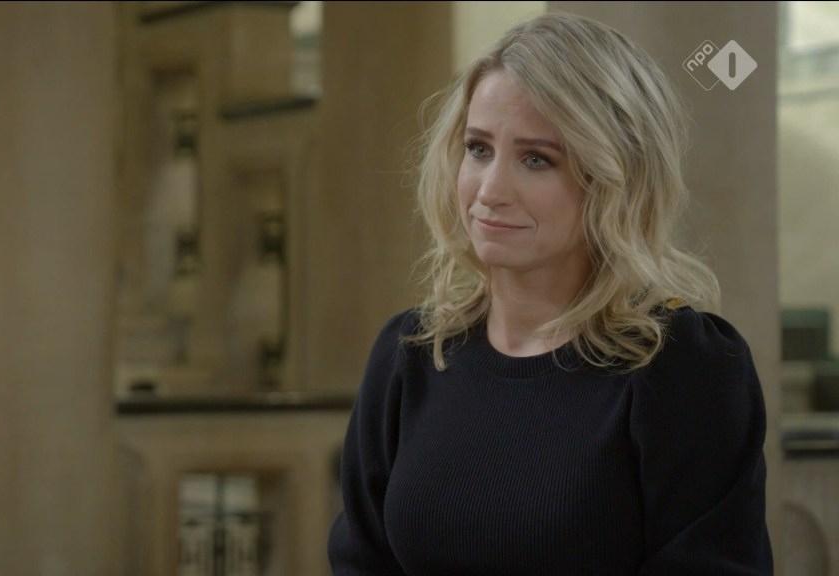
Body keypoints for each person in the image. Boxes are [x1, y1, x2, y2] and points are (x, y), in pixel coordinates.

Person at [327, 12, 773, 576]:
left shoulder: (683, 366)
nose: (490, 191)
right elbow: (359, 562)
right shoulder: (410, 352)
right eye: (478, 149)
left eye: (536, 159)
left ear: (614, 178)